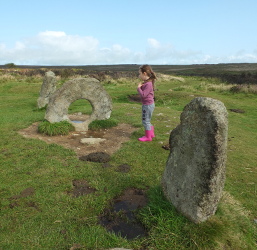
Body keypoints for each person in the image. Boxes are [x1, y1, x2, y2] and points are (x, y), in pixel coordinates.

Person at [137, 64, 157, 142]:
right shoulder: (148, 83)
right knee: (148, 120)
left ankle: (148, 137)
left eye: (140, 74)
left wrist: (138, 88)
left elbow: (143, 95)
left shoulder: (148, 84)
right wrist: (142, 86)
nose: (139, 75)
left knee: (145, 121)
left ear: (144, 73)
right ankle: (151, 134)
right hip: (149, 105)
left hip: (147, 105)